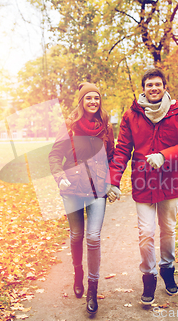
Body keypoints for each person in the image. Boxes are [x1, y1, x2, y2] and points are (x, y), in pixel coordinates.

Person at [108, 68, 178, 305]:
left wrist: (164, 156)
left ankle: (167, 270)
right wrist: (113, 181)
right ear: (144, 89)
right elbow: (122, 151)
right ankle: (148, 276)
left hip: (170, 181)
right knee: (146, 233)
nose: (154, 88)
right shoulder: (131, 116)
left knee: (168, 230)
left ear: (164, 87)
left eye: (158, 84)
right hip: (143, 182)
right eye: (149, 85)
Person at [48, 83, 115, 314]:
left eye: (97, 98)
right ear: (81, 101)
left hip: (97, 189)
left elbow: (112, 156)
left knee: (93, 237)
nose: (93, 102)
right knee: (77, 235)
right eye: (89, 98)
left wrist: (112, 182)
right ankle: (78, 273)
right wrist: (59, 177)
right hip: (72, 188)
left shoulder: (106, 126)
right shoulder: (69, 125)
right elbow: (55, 155)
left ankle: (92, 291)